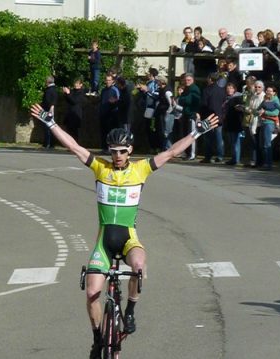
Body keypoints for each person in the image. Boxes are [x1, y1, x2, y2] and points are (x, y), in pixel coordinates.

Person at [28, 103, 218, 359]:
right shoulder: (100, 168)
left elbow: (172, 152)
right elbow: (74, 146)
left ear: (130, 150)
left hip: (128, 237)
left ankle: (129, 312)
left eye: (121, 151)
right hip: (104, 241)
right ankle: (97, 340)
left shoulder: (141, 169)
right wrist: (50, 123)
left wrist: (198, 131)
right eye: (113, 151)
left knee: (139, 265)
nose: (117, 155)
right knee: (92, 293)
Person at [98, 74, 120, 153]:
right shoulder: (103, 90)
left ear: (112, 81)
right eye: (106, 80)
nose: (107, 82)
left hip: (112, 114)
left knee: (111, 132)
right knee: (103, 132)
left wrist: (114, 102)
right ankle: (104, 148)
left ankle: (111, 148)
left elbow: (118, 100)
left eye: (109, 80)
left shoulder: (115, 89)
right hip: (103, 114)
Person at [41, 76, 57, 149]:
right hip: (49, 109)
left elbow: (50, 101)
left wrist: (50, 108)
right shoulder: (52, 89)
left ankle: (48, 143)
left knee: (48, 126)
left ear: (47, 82)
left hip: (48, 110)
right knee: (49, 126)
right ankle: (49, 143)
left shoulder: (50, 90)